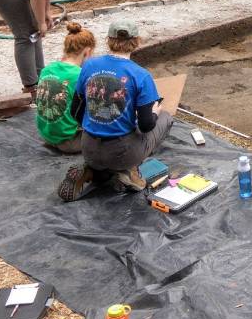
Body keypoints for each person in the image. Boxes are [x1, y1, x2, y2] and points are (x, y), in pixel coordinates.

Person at [57, 21, 172, 201]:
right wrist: (155, 112)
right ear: (137, 41)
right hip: (122, 152)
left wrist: (93, 125)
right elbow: (146, 125)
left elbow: (75, 110)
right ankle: (129, 170)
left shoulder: (89, 66)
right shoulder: (141, 74)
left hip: (88, 147)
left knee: (102, 154)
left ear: (108, 40)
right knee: (165, 117)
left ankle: (92, 170)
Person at [33, 22, 96, 154]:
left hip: (46, 136)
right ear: (88, 52)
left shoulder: (46, 69)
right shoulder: (80, 76)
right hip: (69, 142)